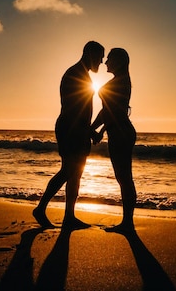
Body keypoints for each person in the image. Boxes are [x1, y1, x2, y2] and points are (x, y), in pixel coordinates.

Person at [33, 41, 105, 229]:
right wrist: (91, 131)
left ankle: (69, 216)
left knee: (76, 173)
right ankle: (41, 209)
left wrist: (89, 131)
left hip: (77, 128)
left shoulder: (81, 74)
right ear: (90, 54)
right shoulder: (76, 74)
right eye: (100, 57)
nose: (102, 61)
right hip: (71, 128)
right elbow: (75, 110)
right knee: (68, 170)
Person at [91, 48, 137, 233]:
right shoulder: (119, 81)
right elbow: (106, 112)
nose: (106, 61)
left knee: (125, 178)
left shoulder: (120, 82)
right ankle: (127, 222)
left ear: (118, 61)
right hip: (118, 132)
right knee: (122, 178)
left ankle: (128, 223)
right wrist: (93, 128)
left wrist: (100, 130)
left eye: (109, 58)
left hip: (121, 133)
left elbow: (114, 113)